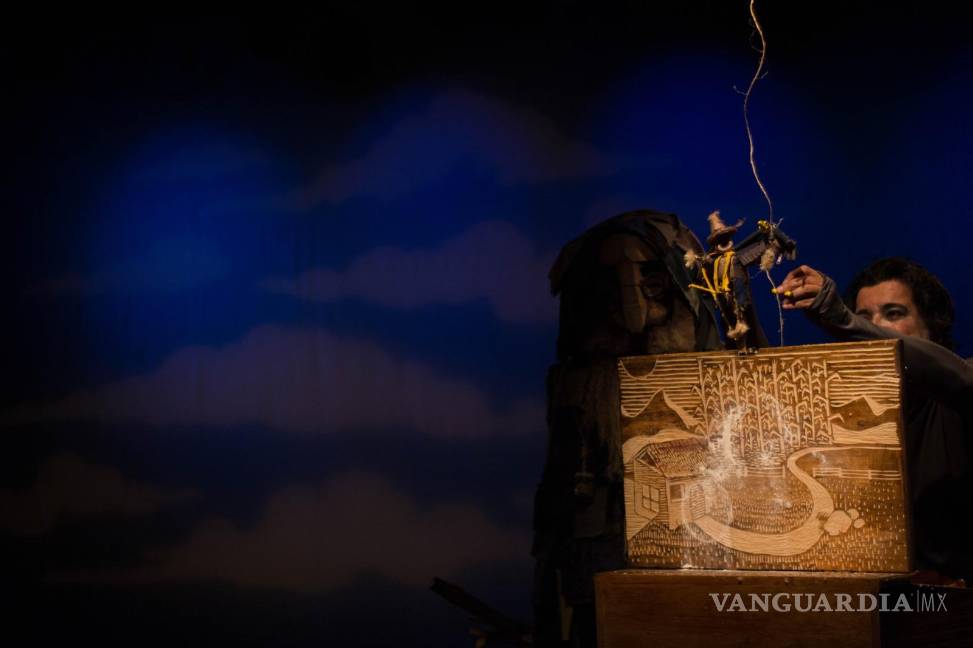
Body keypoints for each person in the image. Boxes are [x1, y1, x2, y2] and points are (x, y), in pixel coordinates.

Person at [775, 258, 973, 582]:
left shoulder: (959, 391)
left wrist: (845, 320)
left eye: (893, 314)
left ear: (932, 330)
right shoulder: (845, 417)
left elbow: (961, 378)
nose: (874, 327)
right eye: (864, 317)